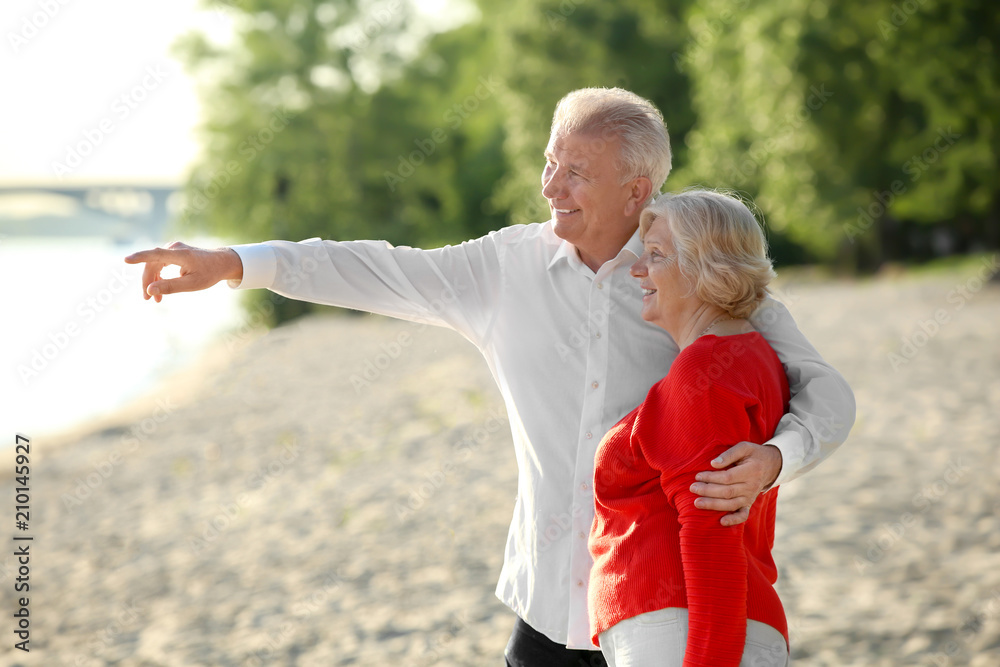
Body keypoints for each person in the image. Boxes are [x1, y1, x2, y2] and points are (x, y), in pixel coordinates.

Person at [124, 87, 854, 666]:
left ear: (637, 190)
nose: (550, 186)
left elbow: (824, 390)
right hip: (544, 608)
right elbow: (377, 266)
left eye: (576, 172)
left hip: (665, 616)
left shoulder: (694, 277)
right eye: (548, 161)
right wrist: (236, 263)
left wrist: (774, 459)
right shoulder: (504, 268)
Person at [589, 189, 794, 667]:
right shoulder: (750, 355)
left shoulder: (704, 371)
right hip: (709, 626)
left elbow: (710, 533)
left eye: (656, 256)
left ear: (708, 269)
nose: (637, 270)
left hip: (681, 629)